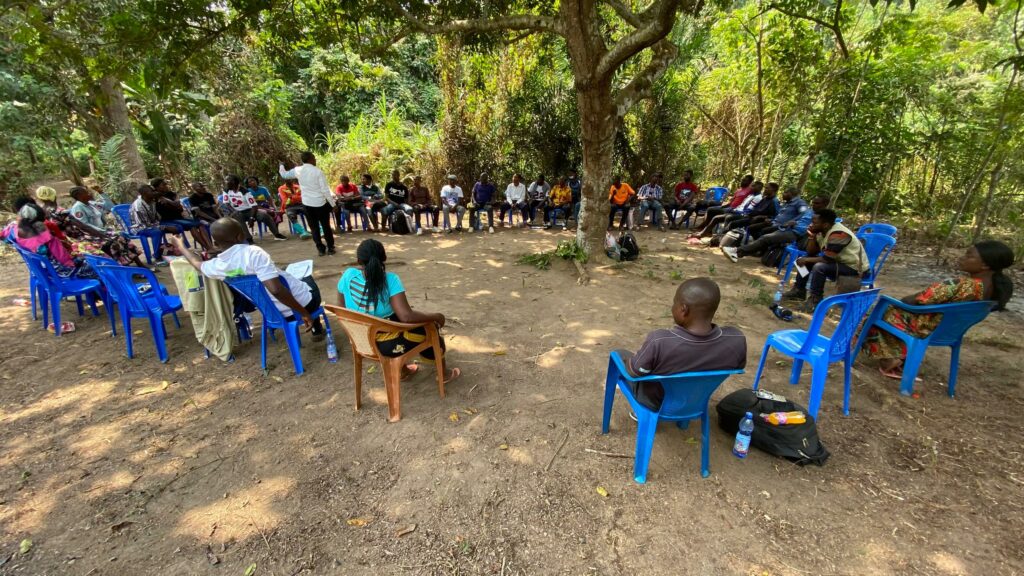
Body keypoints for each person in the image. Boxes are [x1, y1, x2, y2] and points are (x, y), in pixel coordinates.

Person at [862, 241, 1015, 380]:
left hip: (925, 327)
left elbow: (917, 300)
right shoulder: (993, 289)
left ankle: (890, 358)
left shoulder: (962, 285)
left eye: (969, 256)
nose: (962, 258)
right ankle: (900, 357)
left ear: (985, 265)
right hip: (947, 331)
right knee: (893, 310)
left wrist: (905, 300)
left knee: (884, 309)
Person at [169, 218, 326, 340]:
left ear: (215, 243)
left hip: (271, 313)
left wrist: (181, 246)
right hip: (298, 308)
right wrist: (303, 313)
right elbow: (276, 289)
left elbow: (197, 263)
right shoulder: (253, 253)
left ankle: (311, 321)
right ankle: (316, 327)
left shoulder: (217, 266)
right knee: (307, 278)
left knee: (286, 275)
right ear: (241, 236)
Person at [337, 238, 461, 382]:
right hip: (385, 346)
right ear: (384, 258)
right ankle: (443, 374)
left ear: (359, 261)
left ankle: (403, 371)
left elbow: (341, 309)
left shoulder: (347, 276)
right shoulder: (390, 280)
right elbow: (406, 317)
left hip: (360, 340)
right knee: (430, 327)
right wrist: (437, 317)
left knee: (394, 319)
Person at [612, 278, 746, 411]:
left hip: (657, 403)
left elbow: (633, 373)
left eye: (674, 303)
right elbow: (738, 366)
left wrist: (628, 361)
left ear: (683, 309)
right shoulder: (736, 339)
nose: (672, 307)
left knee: (619, 354)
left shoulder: (660, 341)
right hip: (696, 401)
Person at [784, 209, 868, 310]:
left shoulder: (839, 233)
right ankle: (799, 290)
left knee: (819, 267)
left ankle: (815, 300)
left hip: (854, 267)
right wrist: (812, 236)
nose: (811, 225)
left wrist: (806, 260)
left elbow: (827, 259)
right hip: (839, 262)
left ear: (825, 225)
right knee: (803, 260)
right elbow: (811, 252)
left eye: (814, 223)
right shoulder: (821, 232)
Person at [3, 200, 97, 279]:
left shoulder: (13, 229)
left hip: (40, 270)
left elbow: (3, 235)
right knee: (95, 265)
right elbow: (62, 257)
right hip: (59, 272)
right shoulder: (42, 231)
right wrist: (72, 263)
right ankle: (97, 292)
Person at [720, 192, 823, 262]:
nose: (814, 205)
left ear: (825, 204)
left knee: (766, 237)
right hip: (788, 229)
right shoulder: (810, 211)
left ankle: (736, 251)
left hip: (798, 235)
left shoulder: (822, 216)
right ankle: (740, 252)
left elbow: (814, 229)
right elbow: (799, 219)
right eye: (813, 203)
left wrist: (796, 225)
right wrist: (793, 222)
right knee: (764, 235)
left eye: (817, 203)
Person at [67, 186, 147, 267]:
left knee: (122, 236)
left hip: (102, 230)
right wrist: (102, 232)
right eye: (86, 192)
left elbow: (109, 206)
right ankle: (125, 266)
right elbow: (85, 226)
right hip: (91, 235)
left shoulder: (91, 204)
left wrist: (101, 192)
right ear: (79, 196)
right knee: (114, 242)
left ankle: (138, 263)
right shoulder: (78, 208)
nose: (89, 193)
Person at [279, 152, 336, 255]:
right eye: (314, 158)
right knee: (326, 226)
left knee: (314, 228)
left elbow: (284, 174)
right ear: (311, 159)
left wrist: (281, 166)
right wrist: (333, 204)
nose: (315, 160)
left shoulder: (297, 170)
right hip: (320, 203)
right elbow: (325, 190)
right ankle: (331, 248)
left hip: (307, 204)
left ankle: (320, 249)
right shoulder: (318, 172)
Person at [152, 178, 213, 250]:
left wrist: (167, 201)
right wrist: (174, 205)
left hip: (179, 218)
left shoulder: (171, 194)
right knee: (193, 225)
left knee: (200, 225)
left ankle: (210, 247)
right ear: (157, 187)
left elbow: (178, 205)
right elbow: (175, 206)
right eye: (163, 185)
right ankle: (209, 248)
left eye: (166, 184)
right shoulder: (154, 197)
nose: (166, 186)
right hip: (167, 221)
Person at [689, 180, 764, 240]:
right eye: (752, 185)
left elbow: (748, 210)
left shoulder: (758, 198)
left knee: (725, 217)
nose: (751, 187)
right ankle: (704, 233)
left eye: (754, 186)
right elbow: (741, 205)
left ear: (759, 188)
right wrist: (733, 209)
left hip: (742, 215)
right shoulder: (751, 195)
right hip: (736, 211)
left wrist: (735, 210)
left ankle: (719, 238)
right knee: (715, 216)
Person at [221, 175, 282, 243]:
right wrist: (234, 211)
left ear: (233, 182)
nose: (225, 182)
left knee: (264, 216)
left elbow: (254, 206)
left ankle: (277, 234)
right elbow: (226, 204)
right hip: (237, 212)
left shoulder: (245, 191)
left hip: (249, 210)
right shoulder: (226, 190)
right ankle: (249, 239)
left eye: (227, 180)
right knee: (238, 217)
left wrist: (251, 218)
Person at [131, 183, 183, 262]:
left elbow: (156, 219)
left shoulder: (152, 202)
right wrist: (164, 227)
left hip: (153, 225)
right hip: (140, 228)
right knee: (157, 232)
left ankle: (177, 249)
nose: (154, 193)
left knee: (178, 227)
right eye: (151, 191)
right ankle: (157, 256)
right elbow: (145, 224)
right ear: (145, 194)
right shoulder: (138, 206)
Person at [684, 174, 753, 227]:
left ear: (749, 182)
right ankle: (705, 227)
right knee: (710, 208)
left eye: (745, 180)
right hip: (729, 207)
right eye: (742, 180)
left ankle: (704, 227)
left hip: (735, 209)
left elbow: (751, 199)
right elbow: (731, 201)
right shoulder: (738, 190)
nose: (742, 181)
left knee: (711, 210)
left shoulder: (750, 191)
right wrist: (723, 206)